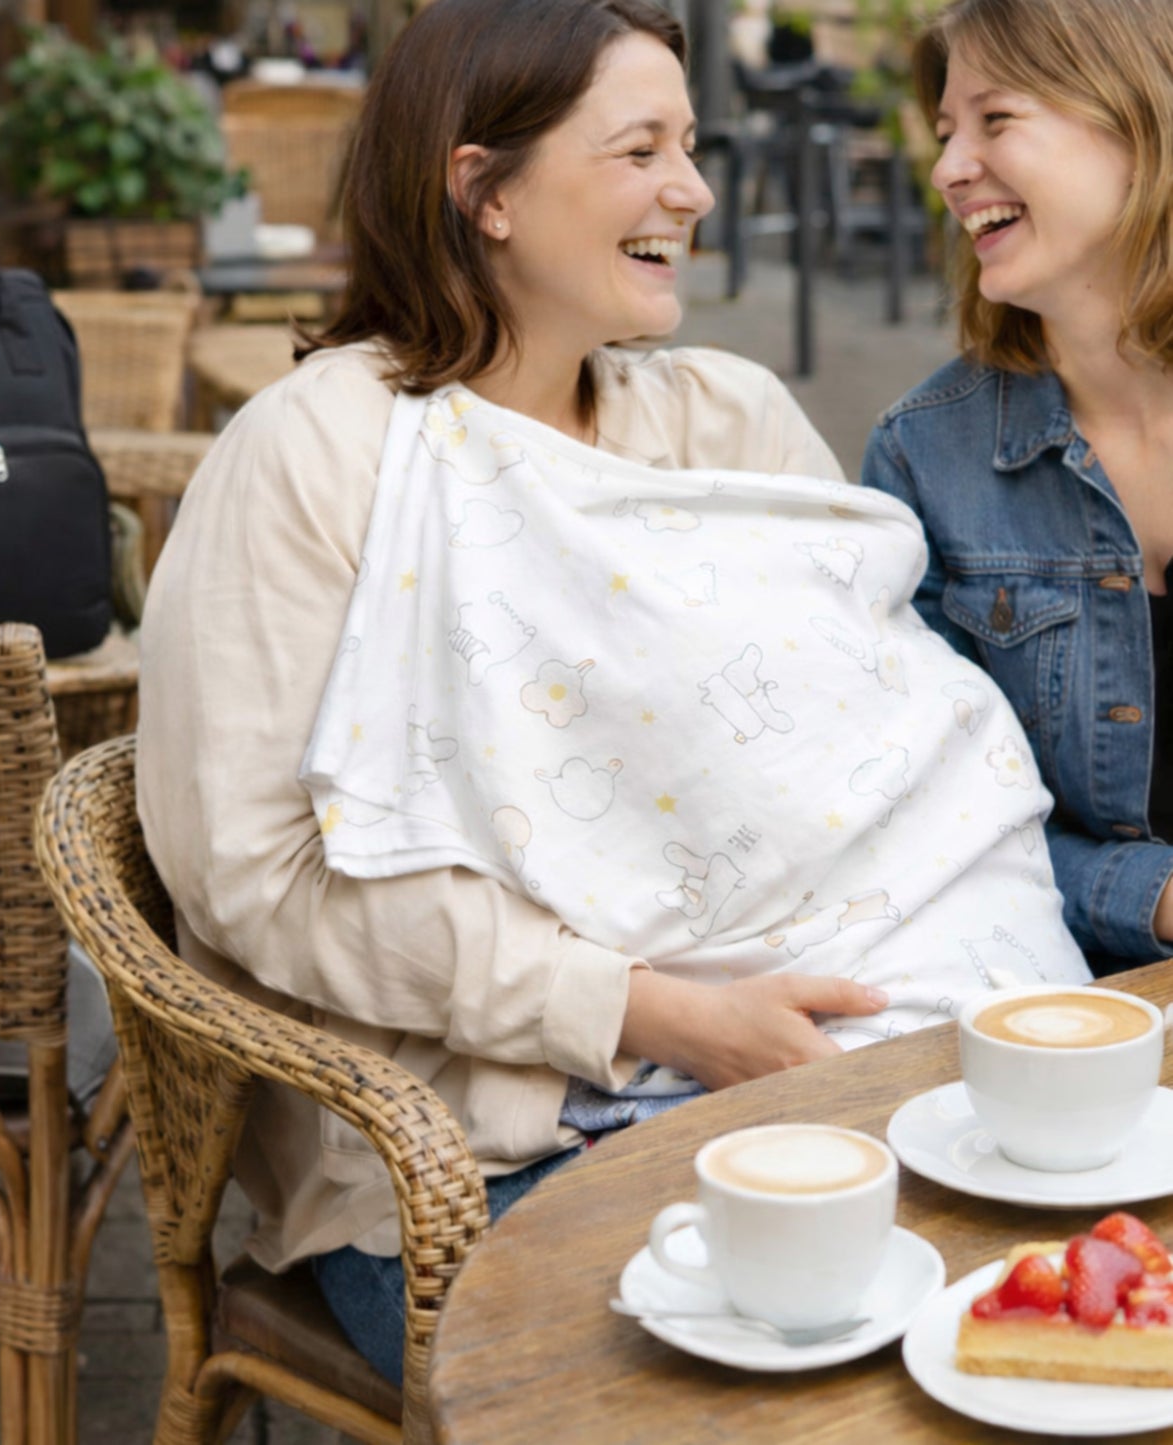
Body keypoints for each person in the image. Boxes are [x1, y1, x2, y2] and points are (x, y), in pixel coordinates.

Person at [137, 0, 1086, 1385]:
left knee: (1056, 1326)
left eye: (689, 146)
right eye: (640, 149)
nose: (692, 191)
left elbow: (894, 755)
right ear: (484, 191)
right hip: (485, 1152)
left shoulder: (726, 421)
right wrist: (644, 1010)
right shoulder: (320, 457)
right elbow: (253, 874)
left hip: (839, 1064)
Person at [862, 0, 1173, 975]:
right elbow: (929, 821)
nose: (948, 169)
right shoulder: (923, 455)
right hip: (1071, 1009)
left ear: (1137, 117)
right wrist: (1152, 899)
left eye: (994, 121)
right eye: (947, 132)